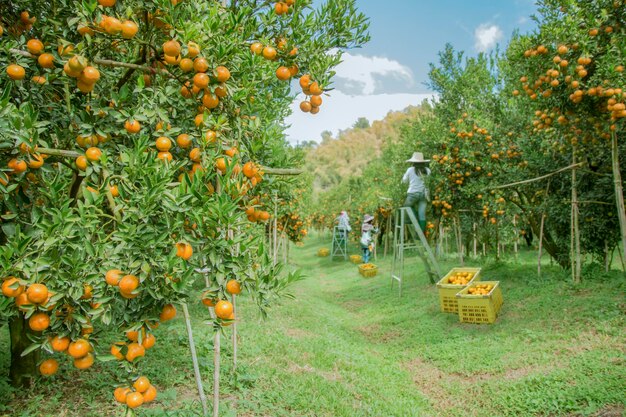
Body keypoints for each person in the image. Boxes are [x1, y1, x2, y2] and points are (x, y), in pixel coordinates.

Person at [402, 152, 431, 231]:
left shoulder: (410, 170)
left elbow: (404, 181)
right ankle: (421, 235)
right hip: (424, 194)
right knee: (422, 214)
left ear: (413, 162)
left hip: (413, 194)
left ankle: (415, 220)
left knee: (406, 207)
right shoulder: (428, 170)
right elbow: (428, 182)